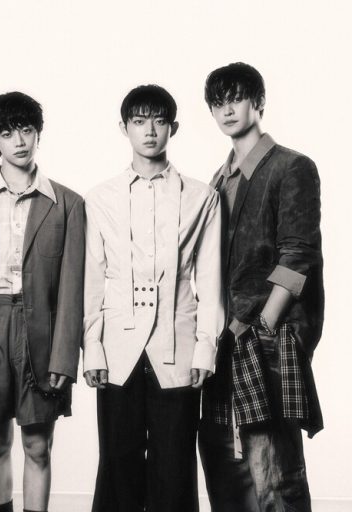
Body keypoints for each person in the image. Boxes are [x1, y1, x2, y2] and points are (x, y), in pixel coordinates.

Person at [82, 84, 223, 512]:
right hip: (117, 350)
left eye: (159, 121)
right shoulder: (99, 198)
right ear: (123, 127)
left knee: (175, 467)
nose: (149, 131)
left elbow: (210, 280)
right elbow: (93, 279)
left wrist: (205, 348)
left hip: (178, 348)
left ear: (172, 128)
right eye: (140, 121)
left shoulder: (202, 197)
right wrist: (92, 349)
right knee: (117, 465)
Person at [0, 91, 85, 512]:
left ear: (38, 133)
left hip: (41, 331)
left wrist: (64, 358)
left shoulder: (68, 204)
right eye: (8, 133)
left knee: (38, 445)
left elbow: (72, 290)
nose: (19, 141)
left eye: (26, 130)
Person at [199, 62, 324, 512]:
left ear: (259, 101)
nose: (227, 109)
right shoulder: (218, 180)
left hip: (267, 337)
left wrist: (266, 324)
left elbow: (299, 254)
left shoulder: (291, 167)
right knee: (227, 471)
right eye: (218, 102)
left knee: (274, 472)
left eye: (236, 98)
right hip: (224, 341)